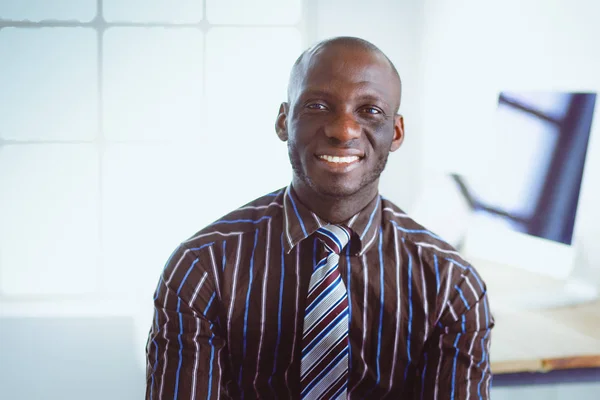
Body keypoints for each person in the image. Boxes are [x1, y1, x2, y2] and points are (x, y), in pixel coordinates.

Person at [145, 36, 494, 399]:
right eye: (317, 105)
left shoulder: (451, 285)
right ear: (283, 121)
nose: (342, 130)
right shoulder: (203, 268)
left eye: (370, 110)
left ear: (397, 132)